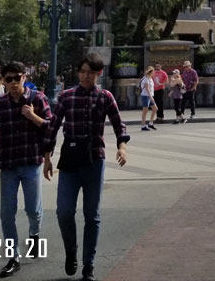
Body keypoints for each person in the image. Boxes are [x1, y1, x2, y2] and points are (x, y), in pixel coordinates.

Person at [43, 53, 129, 281]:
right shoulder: (67, 97)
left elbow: (120, 126)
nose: (85, 76)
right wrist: (47, 157)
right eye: (82, 71)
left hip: (94, 159)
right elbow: (52, 128)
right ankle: (71, 250)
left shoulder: (105, 97)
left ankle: (88, 265)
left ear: (98, 73)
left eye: (90, 72)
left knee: (92, 215)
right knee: (63, 211)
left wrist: (122, 148)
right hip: (70, 161)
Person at [0, 62, 51, 279]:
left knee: (32, 209)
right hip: (8, 164)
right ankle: (13, 257)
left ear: (24, 77)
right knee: (6, 213)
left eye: (16, 78)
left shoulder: (38, 98)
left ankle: (34, 233)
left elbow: (51, 127)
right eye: (7, 79)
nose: (13, 83)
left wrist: (33, 117)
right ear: (3, 81)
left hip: (31, 161)